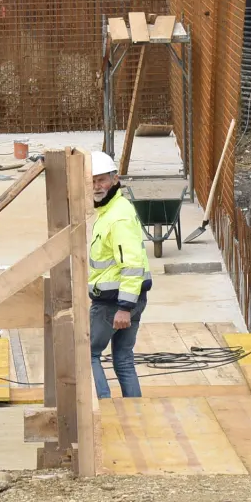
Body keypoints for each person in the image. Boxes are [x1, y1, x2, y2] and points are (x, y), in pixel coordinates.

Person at [86, 150, 151, 398]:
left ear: (115, 180)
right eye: (92, 181)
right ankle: (133, 411)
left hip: (114, 302)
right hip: (128, 298)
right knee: (123, 357)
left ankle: (103, 408)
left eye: (101, 179)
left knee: (88, 354)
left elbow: (132, 264)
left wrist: (124, 307)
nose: (96, 186)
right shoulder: (112, 209)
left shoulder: (117, 217)